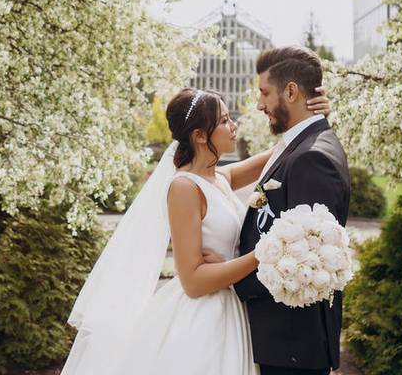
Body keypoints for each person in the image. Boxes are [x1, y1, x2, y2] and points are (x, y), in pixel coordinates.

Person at [62, 84, 331, 375]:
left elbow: (281, 151)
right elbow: (192, 282)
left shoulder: (219, 177)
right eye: (225, 121)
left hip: (231, 308)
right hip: (203, 319)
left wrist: (312, 118)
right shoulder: (184, 188)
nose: (233, 126)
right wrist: (262, 255)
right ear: (200, 136)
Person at [234, 46, 350, 375]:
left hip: (292, 343)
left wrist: (229, 282)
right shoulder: (302, 145)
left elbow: (308, 263)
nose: (259, 104)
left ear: (291, 91)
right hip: (284, 341)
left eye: (264, 92)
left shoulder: (311, 158)